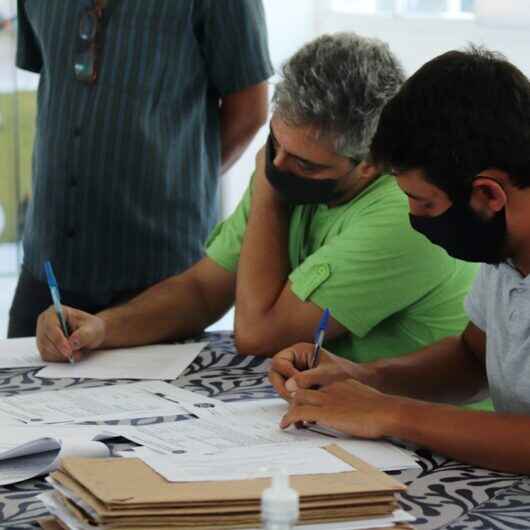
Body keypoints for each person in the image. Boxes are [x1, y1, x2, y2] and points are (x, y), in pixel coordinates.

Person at [36, 33, 476, 369]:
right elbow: (202, 288)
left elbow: (259, 335)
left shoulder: (406, 214)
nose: (278, 165)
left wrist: (268, 197)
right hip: (341, 416)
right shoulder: (292, 162)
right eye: (274, 143)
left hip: (433, 447)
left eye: (304, 164)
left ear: (370, 163)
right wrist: (103, 327)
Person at [270, 45, 530, 473]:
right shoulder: (504, 246)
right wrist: (367, 379)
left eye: (424, 204)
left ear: (487, 195)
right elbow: (471, 358)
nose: (414, 218)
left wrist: (391, 413)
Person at [9, 0, 272, 337]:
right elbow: (53, 72)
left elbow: (249, 109)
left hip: (163, 280)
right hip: (48, 271)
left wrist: (176, 179)